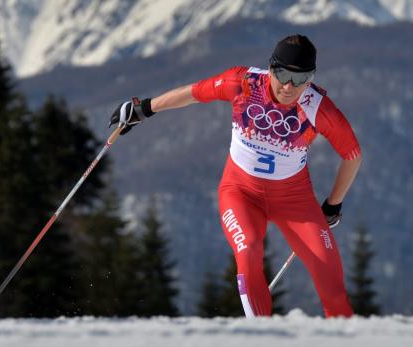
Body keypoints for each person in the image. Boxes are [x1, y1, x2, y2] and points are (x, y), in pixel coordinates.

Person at [109, 34, 362, 318]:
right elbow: (194, 92)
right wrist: (144, 108)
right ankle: (261, 337)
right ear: (270, 68)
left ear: (311, 77)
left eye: (300, 78)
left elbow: (352, 154)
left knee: (332, 287)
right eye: (281, 74)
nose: (289, 86)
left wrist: (333, 203)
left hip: (295, 202)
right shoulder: (243, 83)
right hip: (240, 193)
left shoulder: (318, 107)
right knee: (249, 249)